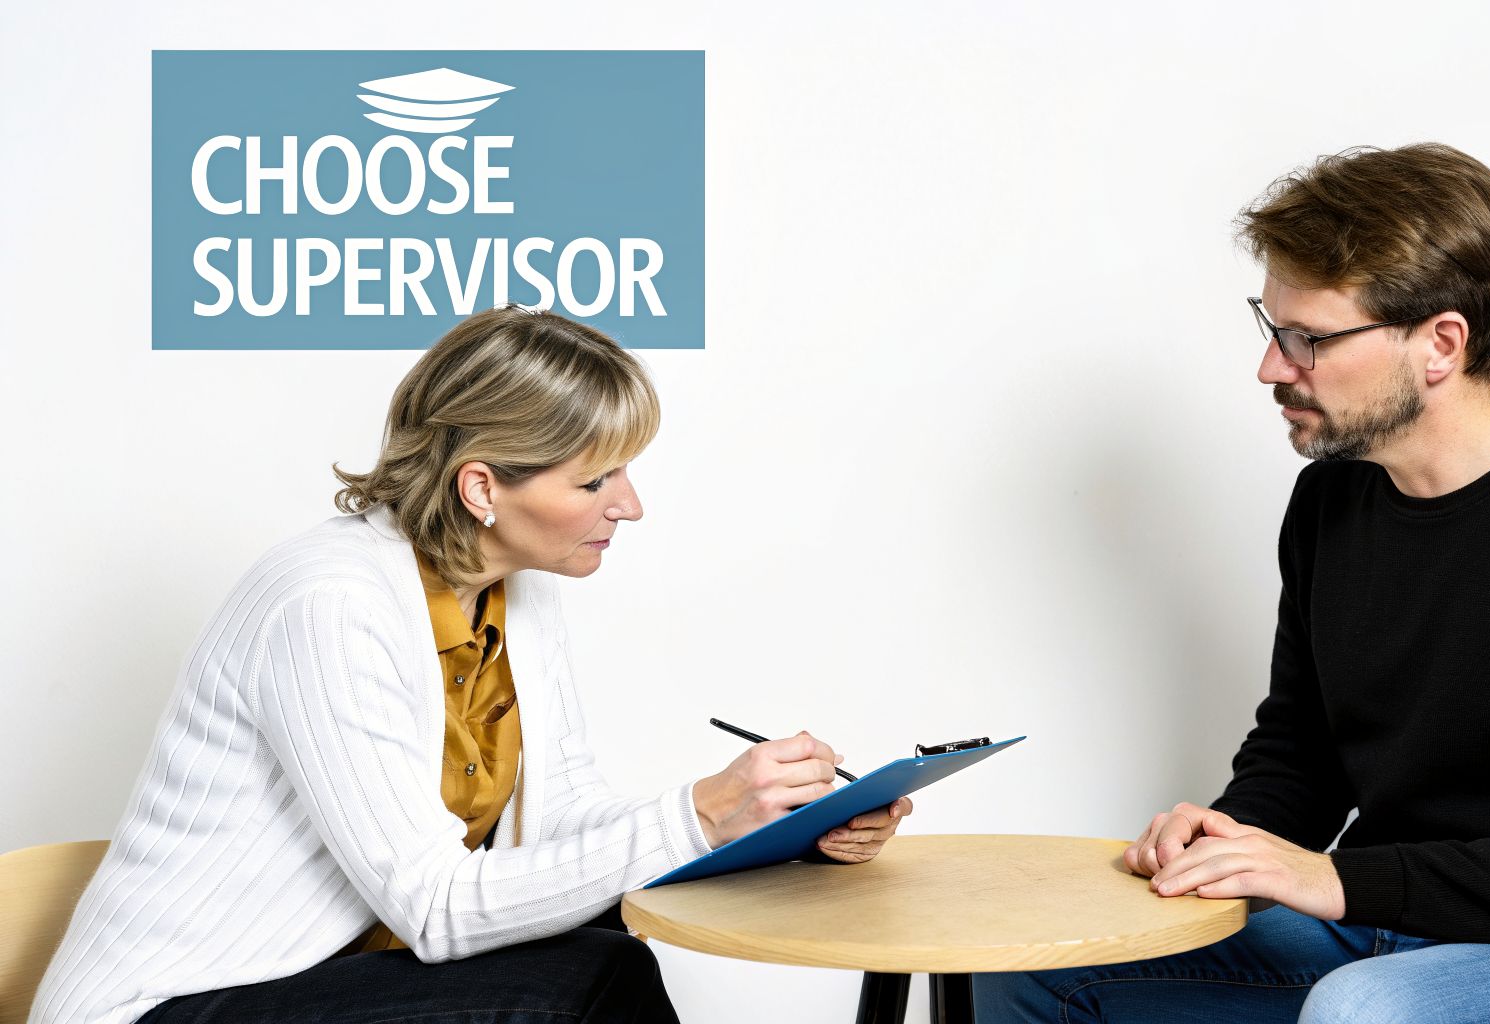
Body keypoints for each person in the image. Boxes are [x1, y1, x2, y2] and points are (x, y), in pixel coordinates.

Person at [974, 144, 1490, 1024]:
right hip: (1390, 926)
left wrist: (1329, 877)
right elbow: (1302, 753)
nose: (1273, 368)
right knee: (1027, 965)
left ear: (1441, 344)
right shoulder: (1333, 501)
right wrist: (1230, 841)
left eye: (1310, 338)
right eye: (1272, 330)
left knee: (1367, 1011)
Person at [31, 305, 912, 1024]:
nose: (631, 506)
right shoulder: (328, 603)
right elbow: (436, 907)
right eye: (596, 480)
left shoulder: (516, 590)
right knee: (589, 987)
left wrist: (771, 825)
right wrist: (698, 817)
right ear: (483, 487)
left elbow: (565, 822)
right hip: (183, 1000)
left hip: (340, 978)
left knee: (604, 950)